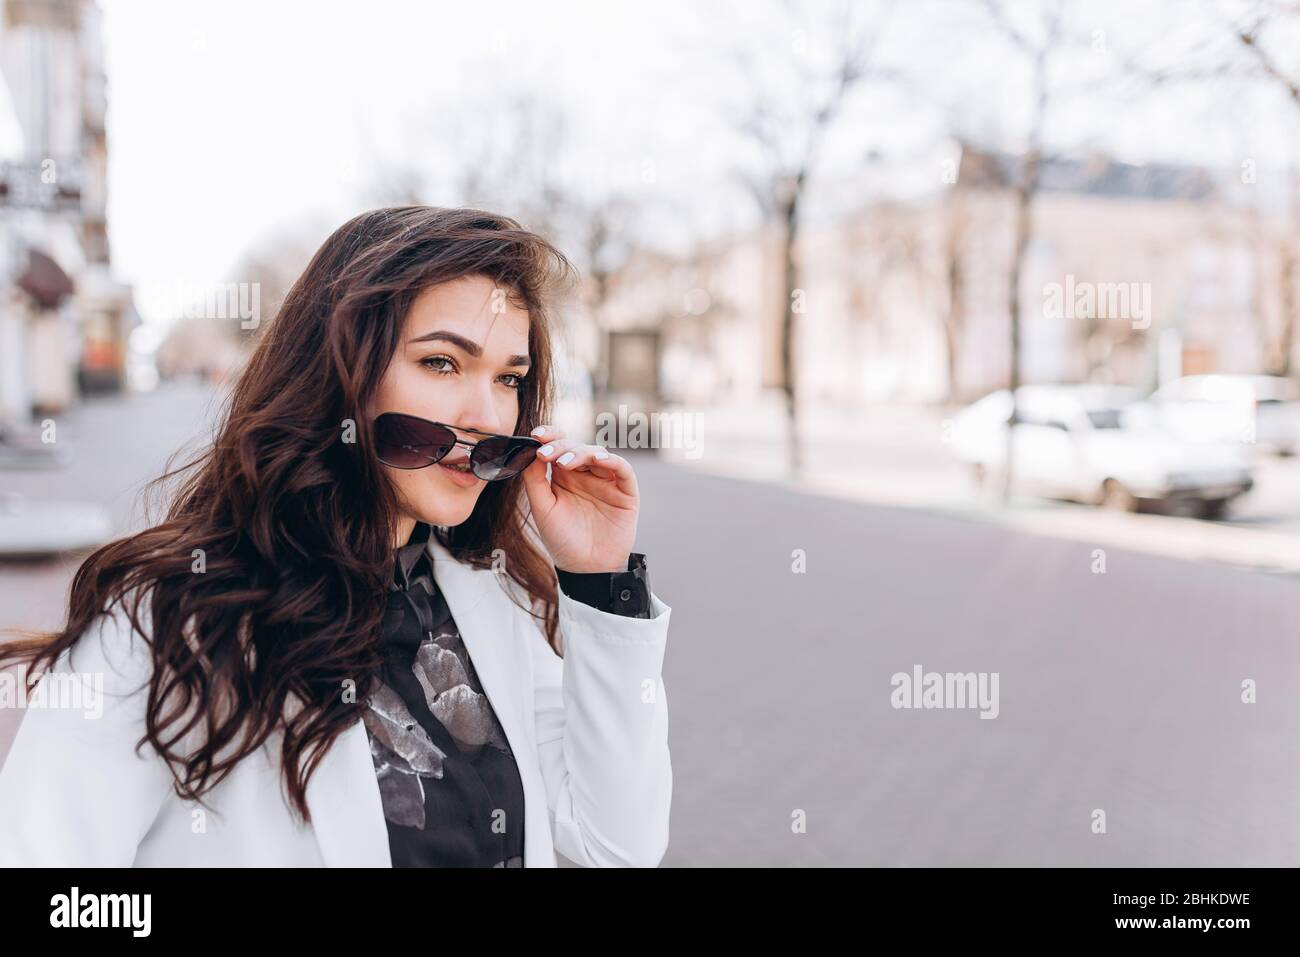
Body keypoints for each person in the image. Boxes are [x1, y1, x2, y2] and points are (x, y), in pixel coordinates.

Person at [0, 206, 672, 867]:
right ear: (344, 373)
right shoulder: (175, 620)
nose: (488, 413)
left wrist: (599, 579)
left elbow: (616, 844)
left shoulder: (492, 598)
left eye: (508, 378)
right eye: (441, 363)